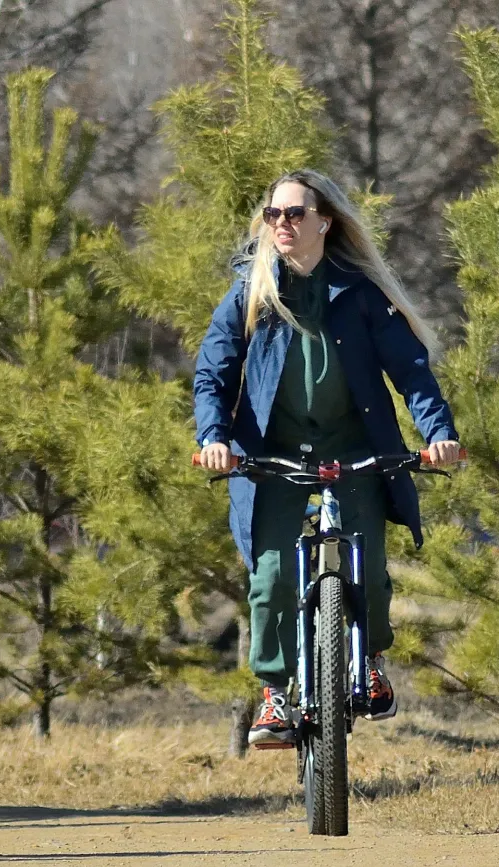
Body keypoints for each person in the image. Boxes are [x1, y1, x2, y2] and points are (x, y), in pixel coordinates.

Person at [194, 169, 459, 748]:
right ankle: (275, 694)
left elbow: (412, 372)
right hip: (273, 454)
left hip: (354, 448)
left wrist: (439, 433)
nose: (282, 224)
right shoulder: (250, 291)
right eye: (274, 214)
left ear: (325, 222)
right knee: (270, 580)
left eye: (295, 213)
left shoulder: (358, 293)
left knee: (371, 572)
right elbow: (214, 370)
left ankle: (369, 661)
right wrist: (213, 437)